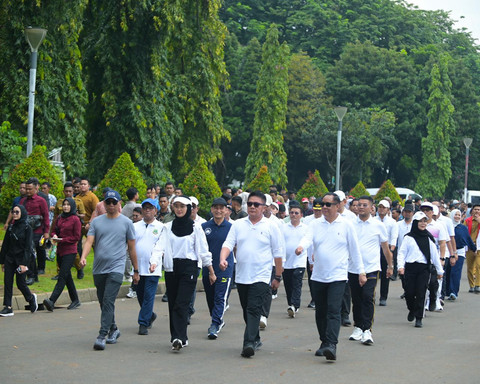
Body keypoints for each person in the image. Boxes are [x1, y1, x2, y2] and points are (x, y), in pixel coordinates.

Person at [295, 193, 365, 361]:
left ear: (337, 206)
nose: (324, 208)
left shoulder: (346, 225)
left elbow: (355, 250)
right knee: (321, 311)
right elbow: (307, 238)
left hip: (338, 276)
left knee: (334, 311)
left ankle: (331, 345)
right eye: (322, 205)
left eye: (327, 205)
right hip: (318, 276)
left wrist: (361, 271)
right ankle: (324, 341)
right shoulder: (315, 224)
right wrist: (300, 247)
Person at [220, 191, 283, 358]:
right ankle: (255, 337)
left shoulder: (271, 226)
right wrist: (223, 258)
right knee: (246, 309)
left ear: (264, 207)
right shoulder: (238, 224)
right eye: (250, 204)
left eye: (256, 204)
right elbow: (228, 243)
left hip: (261, 275)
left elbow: (278, 253)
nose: (252, 207)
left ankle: (248, 343)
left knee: (254, 308)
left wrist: (277, 276)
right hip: (242, 275)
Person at [80, 190, 140, 351]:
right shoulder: (97, 222)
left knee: (108, 300)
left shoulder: (126, 223)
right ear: (104, 204)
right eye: (108, 202)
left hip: (116, 267)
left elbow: (132, 248)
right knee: (103, 301)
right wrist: (83, 256)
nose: (111, 205)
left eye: (114, 202)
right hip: (99, 268)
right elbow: (89, 241)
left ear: (119, 203)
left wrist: (136, 270)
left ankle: (102, 335)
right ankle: (114, 328)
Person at [159, 195, 215, 351]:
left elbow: (204, 251)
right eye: (176, 206)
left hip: (189, 267)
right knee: (173, 303)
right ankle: (178, 337)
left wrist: (210, 270)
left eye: (182, 206)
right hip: (171, 268)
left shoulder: (196, 227)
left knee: (182, 303)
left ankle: (179, 336)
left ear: (188, 208)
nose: (179, 209)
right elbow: (159, 246)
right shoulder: (167, 227)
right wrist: (154, 262)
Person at [349, 196, 392, 345]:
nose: (360, 207)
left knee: (368, 296)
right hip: (353, 267)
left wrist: (390, 266)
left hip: (372, 267)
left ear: (371, 207)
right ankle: (358, 327)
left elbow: (385, 248)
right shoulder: (351, 224)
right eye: (358, 205)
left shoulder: (378, 225)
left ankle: (367, 329)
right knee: (356, 298)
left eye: (364, 205)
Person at [397, 211, 444, 328]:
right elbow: (402, 253)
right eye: (420, 221)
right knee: (409, 293)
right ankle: (411, 309)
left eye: (425, 221)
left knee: (421, 292)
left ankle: (419, 317)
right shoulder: (408, 238)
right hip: (410, 268)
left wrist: (439, 271)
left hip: (424, 269)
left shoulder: (429, 238)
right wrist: (400, 266)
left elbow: (434, 256)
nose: (423, 224)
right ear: (415, 223)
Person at [202, 198, 233, 339]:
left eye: (222, 208)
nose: (219, 211)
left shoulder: (232, 228)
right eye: (216, 208)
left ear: (226, 210)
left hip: (225, 268)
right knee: (210, 297)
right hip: (208, 267)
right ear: (212, 209)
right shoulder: (204, 227)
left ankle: (214, 324)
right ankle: (217, 319)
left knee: (220, 297)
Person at [43, 198, 82, 311]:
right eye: (64, 204)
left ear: (72, 206)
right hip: (60, 250)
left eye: (68, 205)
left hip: (70, 251)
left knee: (62, 276)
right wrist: (55, 236)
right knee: (67, 276)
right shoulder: (60, 217)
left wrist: (62, 239)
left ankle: (52, 300)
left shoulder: (75, 219)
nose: (65, 207)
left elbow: (76, 237)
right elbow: (54, 230)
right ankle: (75, 300)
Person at [0, 205, 38, 316]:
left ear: (22, 213)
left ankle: (31, 298)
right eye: (13, 212)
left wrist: (23, 264)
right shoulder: (11, 227)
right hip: (10, 259)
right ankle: (8, 307)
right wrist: (2, 261)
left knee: (20, 283)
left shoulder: (27, 228)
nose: (15, 214)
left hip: (21, 259)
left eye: (17, 212)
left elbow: (28, 247)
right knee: (8, 282)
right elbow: (5, 245)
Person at [134, 198, 164, 336]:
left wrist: (155, 261)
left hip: (153, 269)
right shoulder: (135, 226)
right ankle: (149, 315)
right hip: (138, 268)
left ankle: (143, 323)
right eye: (145, 207)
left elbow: (160, 248)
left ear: (155, 210)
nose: (147, 210)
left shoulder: (161, 227)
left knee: (148, 296)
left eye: (150, 208)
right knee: (140, 295)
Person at [20, 177, 50, 284]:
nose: (27, 191)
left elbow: (46, 217)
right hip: (25, 231)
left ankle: (34, 274)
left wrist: (46, 232)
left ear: (36, 189)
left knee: (35, 252)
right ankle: (32, 275)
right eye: (26, 189)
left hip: (38, 231)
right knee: (28, 252)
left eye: (30, 189)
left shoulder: (41, 201)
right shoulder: (23, 201)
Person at [281, 202, 308, 318]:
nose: (294, 215)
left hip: (300, 261)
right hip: (286, 262)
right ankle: (290, 304)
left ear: (301, 215)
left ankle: (294, 305)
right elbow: (280, 245)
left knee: (297, 283)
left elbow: (309, 243)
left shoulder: (306, 228)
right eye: (291, 213)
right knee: (288, 284)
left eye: (296, 213)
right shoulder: (283, 227)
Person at [447, 209, 475, 299]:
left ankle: (453, 292)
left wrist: (474, 249)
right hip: (448, 251)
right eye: (455, 215)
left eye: (459, 215)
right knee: (448, 272)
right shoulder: (447, 226)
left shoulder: (463, 228)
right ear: (451, 215)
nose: (457, 217)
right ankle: (446, 291)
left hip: (460, 252)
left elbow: (468, 239)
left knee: (456, 272)